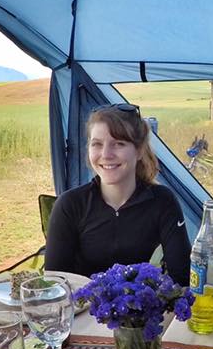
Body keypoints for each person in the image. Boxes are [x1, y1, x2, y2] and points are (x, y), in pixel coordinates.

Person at [43, 103, 191, 285]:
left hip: (140, 310)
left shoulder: (162, 201)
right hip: (81, 310)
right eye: (96, 144)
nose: (106, 154)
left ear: (138, 151)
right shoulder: (70, 205)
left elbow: (181, 278)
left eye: (119, 144)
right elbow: (54, 283)